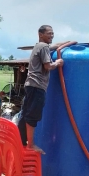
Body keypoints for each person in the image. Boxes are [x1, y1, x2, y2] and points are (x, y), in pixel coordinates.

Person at [17, 25, 65, 154]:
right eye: (49, 33)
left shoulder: (39, 46)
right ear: (40, 34)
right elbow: (48, 66)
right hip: (37, 86)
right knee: (32, 115)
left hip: (30, 85)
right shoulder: (44, 47)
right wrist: (58, 62)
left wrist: (67, 43)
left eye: (53, 33)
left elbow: (55, 45)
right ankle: (30, 145)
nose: (51, 35)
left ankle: (20, 141)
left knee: (26, 113)